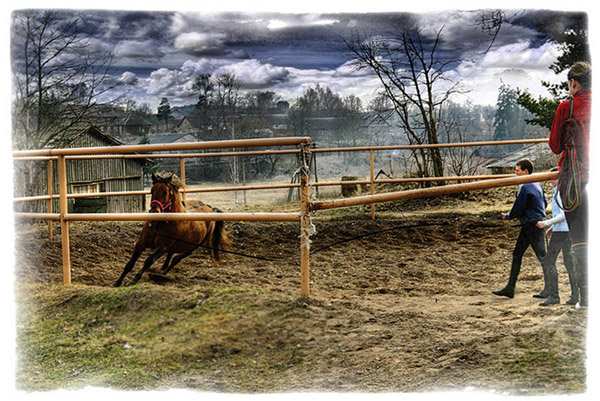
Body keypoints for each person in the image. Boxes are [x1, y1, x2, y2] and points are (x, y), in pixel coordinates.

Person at [548, 61, 591, 307]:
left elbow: (555, 146)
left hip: (577, 179)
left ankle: (586, 299)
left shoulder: (567, 107)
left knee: (580, 238)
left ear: (573, 83)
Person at [493, 159, 547, 299]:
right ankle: (510, 287)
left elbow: (518, 207)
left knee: (541, 257)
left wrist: (509, 216)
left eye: (517, 171)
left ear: (526, 171)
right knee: (519, 254)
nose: (515, 173)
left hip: (531, 225)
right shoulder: (537, 183)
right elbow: (545, 202)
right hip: (535, 223)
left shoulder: (526, 186)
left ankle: (551, 290)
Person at [534, 167, 578, 306]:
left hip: (562, 232)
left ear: (558, 178)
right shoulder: (563, 191)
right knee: (569, 263)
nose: (549, 180)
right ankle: (575, 296)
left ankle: (554, 296)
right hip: (566, 230)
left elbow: (564, 214)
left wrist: (546, 223)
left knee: (549, 261)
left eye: (552, 177)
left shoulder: (559, 192)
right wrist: (553, 227)